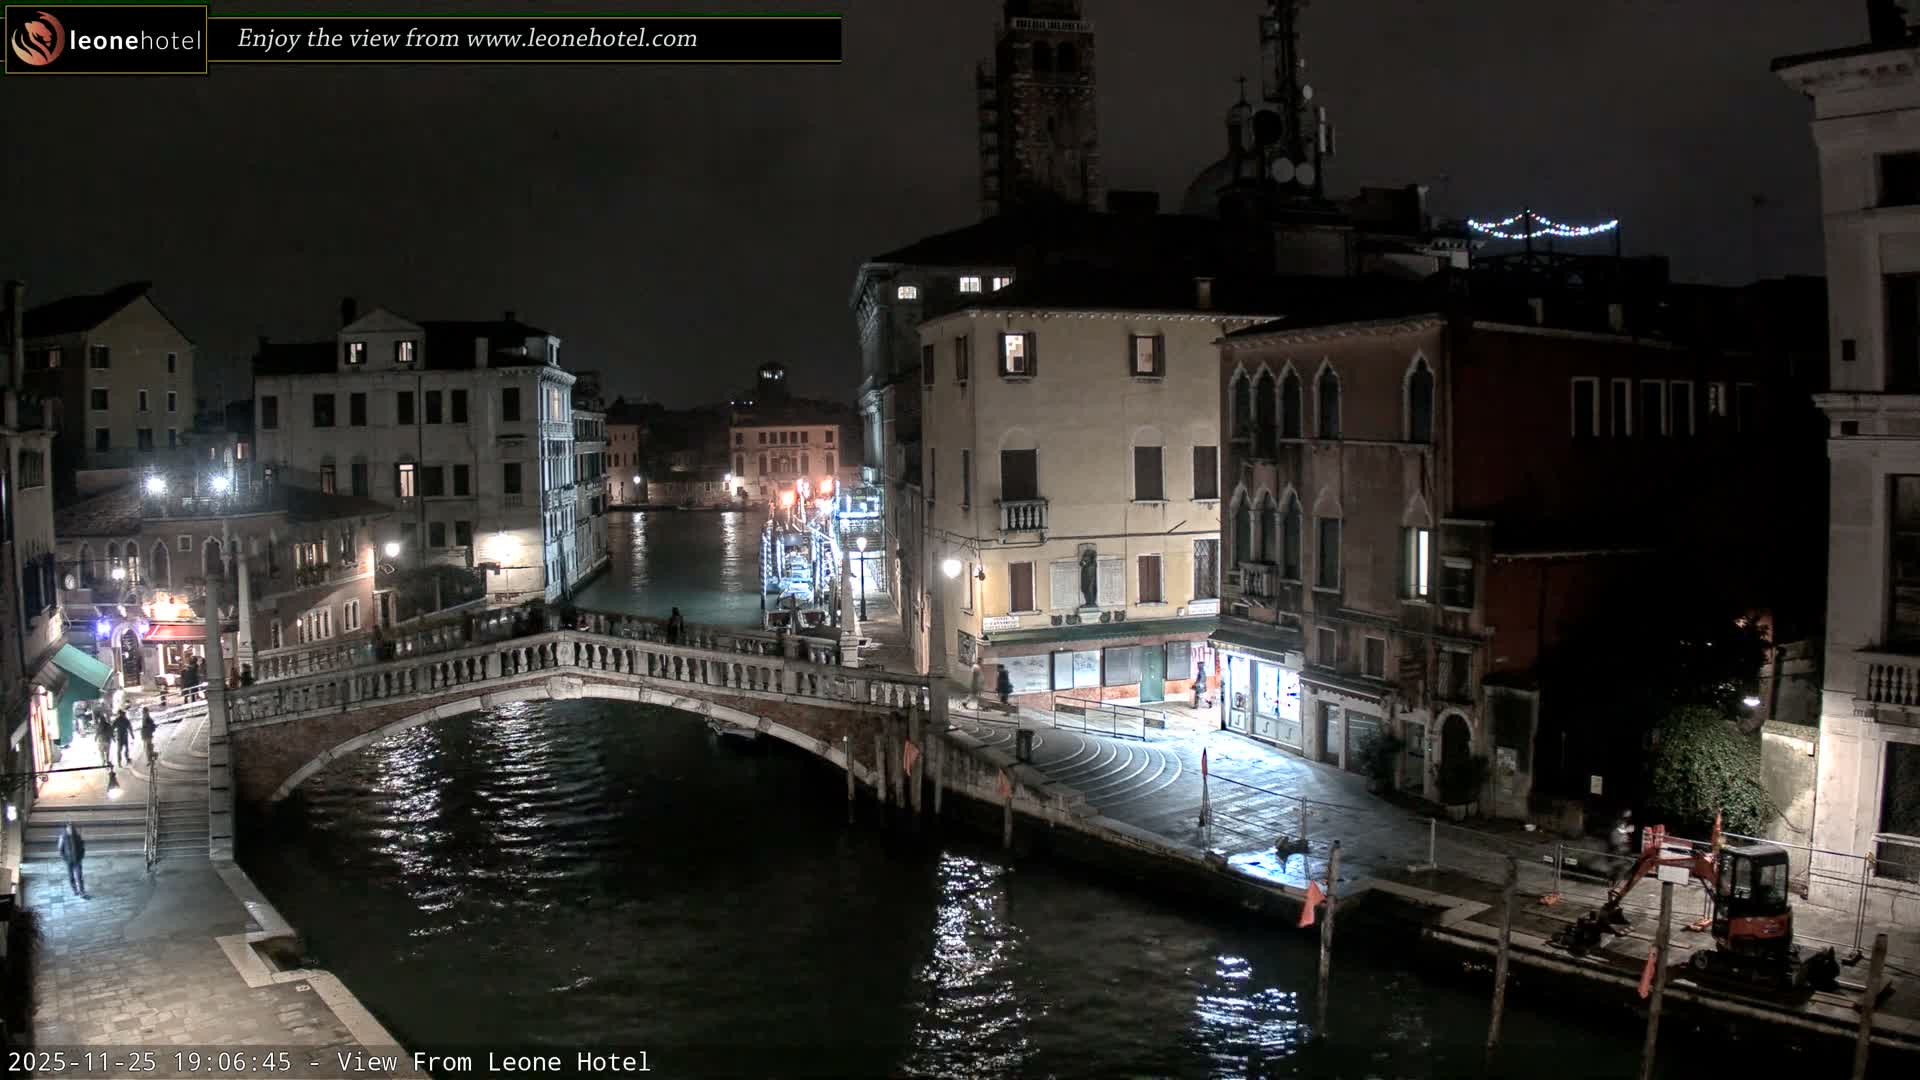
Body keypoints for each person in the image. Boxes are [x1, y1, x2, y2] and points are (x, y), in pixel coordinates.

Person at [57, 823, 85, 897]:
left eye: (71, 829)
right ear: (66, 829)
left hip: (77, 859)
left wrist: (81, 856)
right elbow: (60, 849)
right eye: (68, 829)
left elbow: (82, 847)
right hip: (69, 860)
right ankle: (75, 889)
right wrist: (65, 858)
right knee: (71, 876)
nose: (70, 830)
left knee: (79, 875)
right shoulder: (63, 837)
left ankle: (81, 890)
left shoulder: (77, 837)